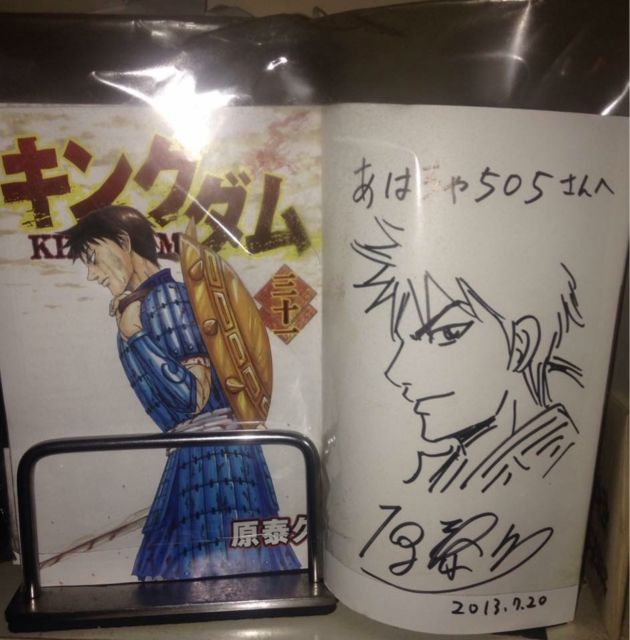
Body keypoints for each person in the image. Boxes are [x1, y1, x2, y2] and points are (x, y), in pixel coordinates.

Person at [66, 205, 299, 580]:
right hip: (201, 457)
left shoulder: (166, 301)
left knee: (218, 569)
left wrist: (136, 337)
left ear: (124, 242)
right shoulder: (142, 305)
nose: (92, 274)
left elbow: (193, 397)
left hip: (215, 463)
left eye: (93, 258)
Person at [352, 219, 584, 494]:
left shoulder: (543, 470)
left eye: (446, 333)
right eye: (404, 341)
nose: (397, 373)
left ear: (522, 344)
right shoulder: (473, 468)